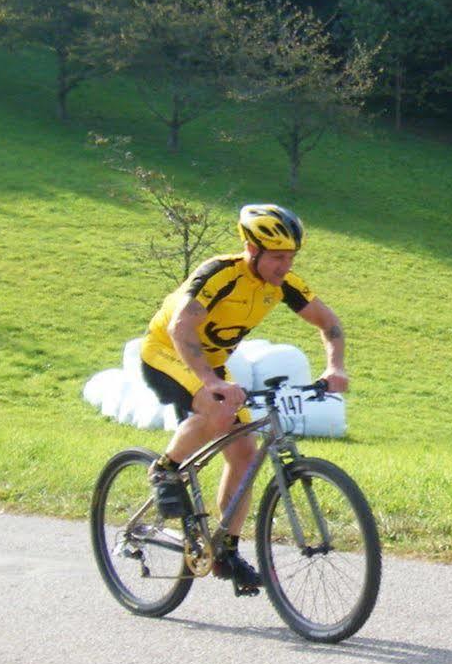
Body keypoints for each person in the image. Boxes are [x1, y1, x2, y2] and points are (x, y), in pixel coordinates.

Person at [140, 203, 350, 595]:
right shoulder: (219, 274)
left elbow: (328, 321)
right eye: (277, 257)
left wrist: (334, 366)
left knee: (244, 455)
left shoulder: (282, 284)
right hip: (167, 351)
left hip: (212, 363)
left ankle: (226, 551)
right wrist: (208, 380)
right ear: (251, 249)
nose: (285, 266)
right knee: (216, 404)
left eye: (290, 257)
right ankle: (166, 469)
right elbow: (181, 325)